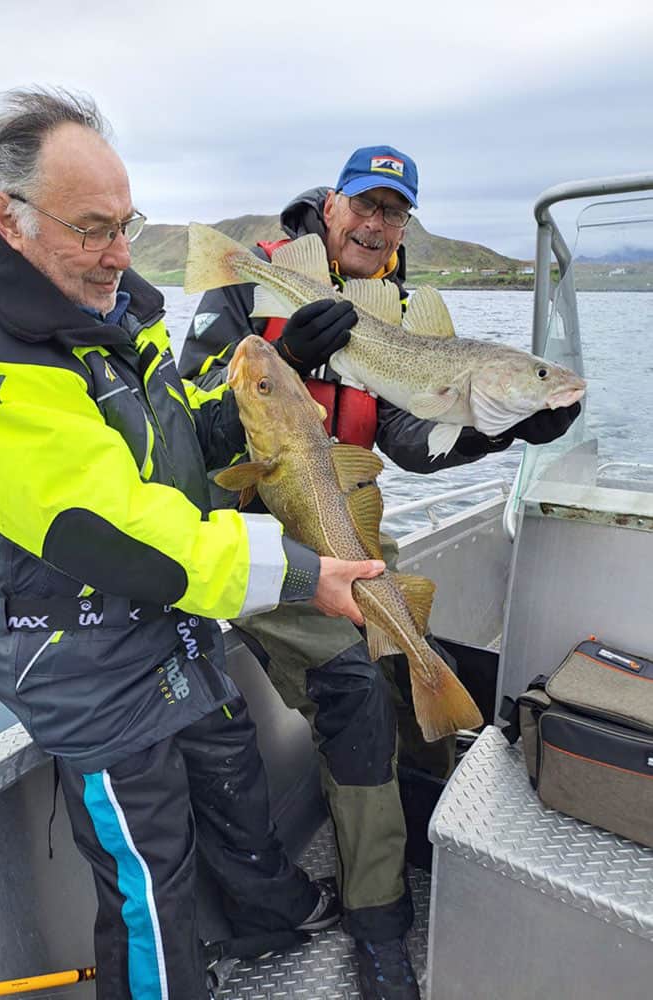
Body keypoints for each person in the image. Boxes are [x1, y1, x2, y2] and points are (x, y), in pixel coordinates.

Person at [0, 91, 393, 1000]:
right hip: (75, 652)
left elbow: (173, 439)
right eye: (92, 229)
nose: (119, 254)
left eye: (125, 224)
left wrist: (258, 404)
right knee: (149, 865)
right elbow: (110, 526)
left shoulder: (116, 316)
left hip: (164, 622)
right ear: (9, 218)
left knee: (231, 759)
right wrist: (294, 572)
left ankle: (267, 919)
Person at [179, 144, 581, 999]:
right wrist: (295, 352)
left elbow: (409, 441)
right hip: (259, 545)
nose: (376, 223)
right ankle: (380, 922)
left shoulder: (400, 317)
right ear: (330, 205)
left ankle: (432, 819)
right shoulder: (247, 287)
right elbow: (188, 429)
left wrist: (501, 426)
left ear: (404, 228)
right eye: (364, 203)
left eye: (394, 212)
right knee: (355, 683)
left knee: (434, 662)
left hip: (347, 528)